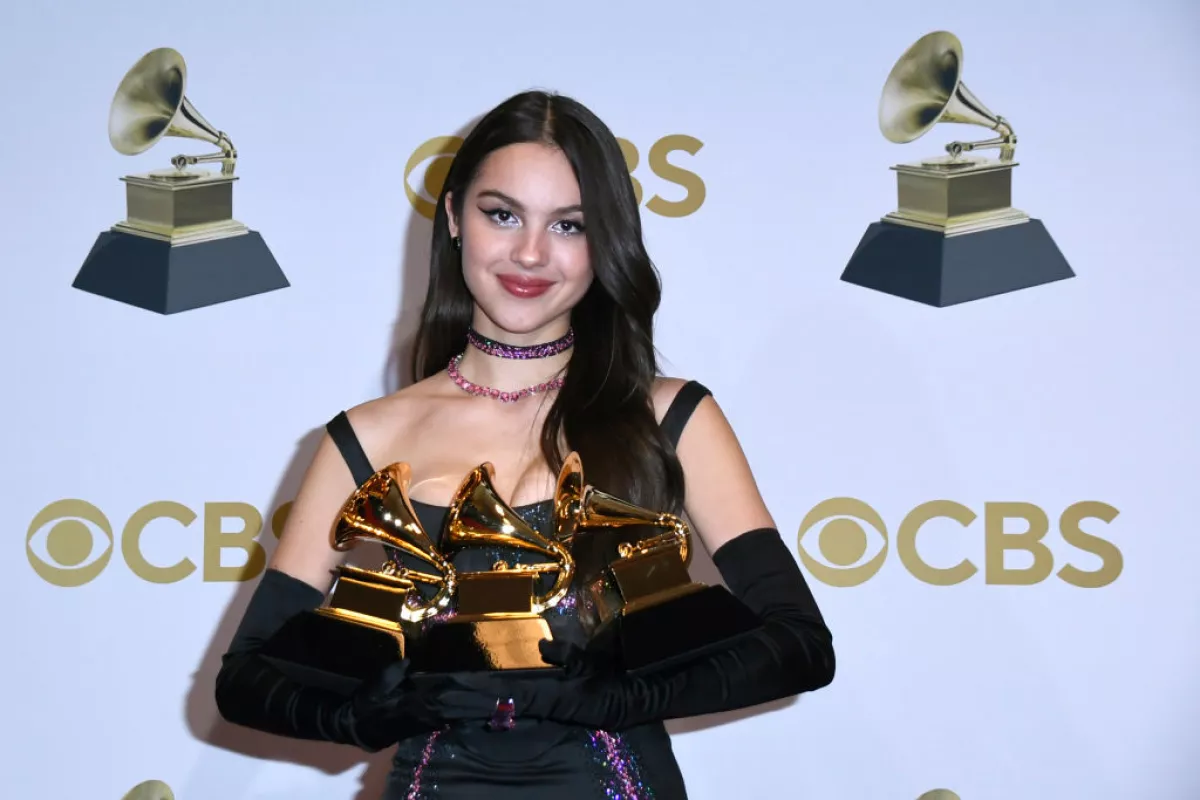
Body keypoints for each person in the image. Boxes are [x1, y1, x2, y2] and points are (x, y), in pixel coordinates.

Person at [213, 89, 835, 799]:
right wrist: (367, 714)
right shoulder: (366, 437)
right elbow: (247, 677)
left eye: (569, 225)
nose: (531, 253)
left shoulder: (670, 416)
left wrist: (621, 699)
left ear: (607, 243)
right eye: (502, 215)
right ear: (453, 217)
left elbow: (799, 646)